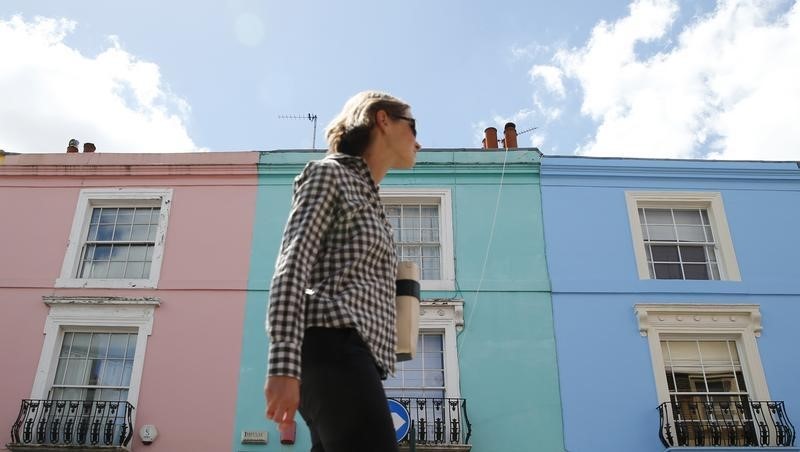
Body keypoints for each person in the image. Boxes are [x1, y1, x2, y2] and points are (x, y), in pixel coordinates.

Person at [264, 91, 421, 452]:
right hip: (331, 347)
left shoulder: (372, 202)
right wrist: (283, 364)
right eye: (413, 127)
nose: (419, 141)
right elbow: (292, 264)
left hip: (352, 356)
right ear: (383, 120)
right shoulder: (328, 175)